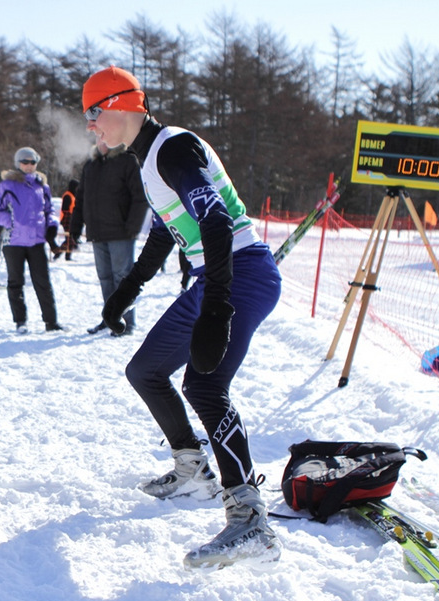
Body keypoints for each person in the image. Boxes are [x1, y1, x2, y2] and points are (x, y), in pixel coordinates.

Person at [85, 65, 281, 569]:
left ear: (123, 104)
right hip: (213, 276)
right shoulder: (148, 159)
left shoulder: (171, 147)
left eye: (93, 113)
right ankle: (192, 469)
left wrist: (216, 305)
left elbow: (215, 218)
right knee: (145, 371)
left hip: (242, 273)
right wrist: (128, 287)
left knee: (206, 386)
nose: (90, 126)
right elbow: (165, 233)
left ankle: (249, 519)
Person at [69, 138, 148, 337]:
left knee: (123, 278)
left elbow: (140, 196)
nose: (101, 140)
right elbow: (81, 199)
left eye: (106, 135)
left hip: (121, 233)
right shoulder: (91, 165)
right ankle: (110, 319)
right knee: (105, 278)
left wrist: (132, 227)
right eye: (99, 136)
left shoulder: (127, 160)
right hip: (97, 233)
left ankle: (127, 323)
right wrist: (75, 229)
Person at [0, 147, 62, 333]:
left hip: (37, 241)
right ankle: (21, 321)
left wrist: (51, 226)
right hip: (14, 242)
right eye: (25, 162)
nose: (29, 166)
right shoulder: (7, 185)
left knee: (43, 282)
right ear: (18, 163)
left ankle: (51, 322)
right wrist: (10, 222)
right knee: (15, 281)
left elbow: (49, 210)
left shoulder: (42, 186)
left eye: (32, 162)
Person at [52, 179, 78, 261]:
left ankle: (66, 256)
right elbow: (65, 209)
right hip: (66, 219)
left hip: (70, 218)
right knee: (70, 239)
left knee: (70, 239)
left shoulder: (72, 195)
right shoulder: (68, 195)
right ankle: (58, 252)